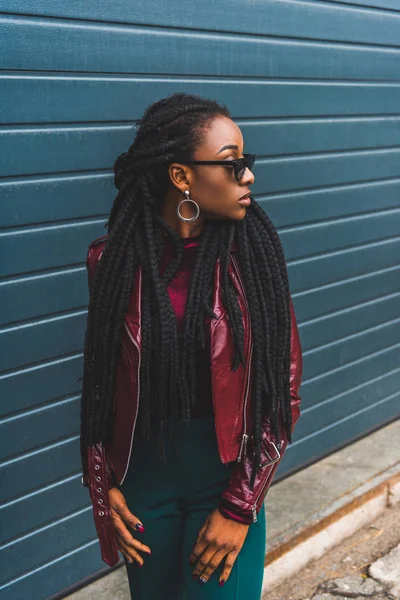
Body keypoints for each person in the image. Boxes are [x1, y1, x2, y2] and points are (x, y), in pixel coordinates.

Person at [80, 92, 303, 600]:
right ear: (181, 177)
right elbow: (99, 383)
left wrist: (240, 506)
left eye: (247, 163)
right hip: (144, 484)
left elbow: (283, 396)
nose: (248, 176)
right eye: (232, 164)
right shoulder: (113, 263)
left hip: (223, 479)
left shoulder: (255, 260)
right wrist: (104, 483)